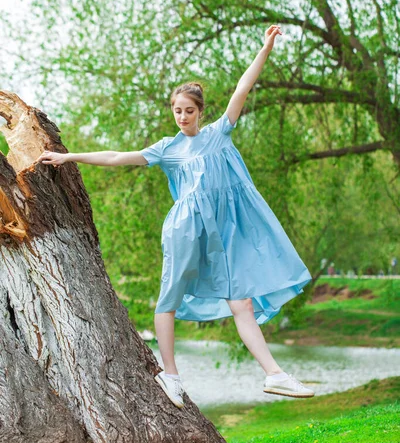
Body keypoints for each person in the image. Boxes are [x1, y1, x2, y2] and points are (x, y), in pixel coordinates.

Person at [37, 25, 315, 409]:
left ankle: (275, 375)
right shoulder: (167, 149)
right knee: (170, 296)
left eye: (188, 111)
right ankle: (171, 374)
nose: (182, 116)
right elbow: (119, 157)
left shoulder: (219, 135)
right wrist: (69, 157)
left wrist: (265, 48)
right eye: (177, 111)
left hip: (221, 235)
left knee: (242, 303)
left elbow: (242, 88)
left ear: (201, 112)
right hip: (185, 229)